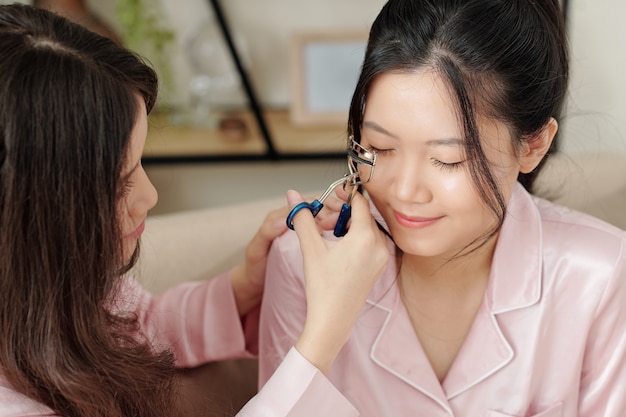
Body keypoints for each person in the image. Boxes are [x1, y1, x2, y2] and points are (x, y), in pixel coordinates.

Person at [0, 4, 388, 416]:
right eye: (120, 183)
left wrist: (240, 288)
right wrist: (323, 336)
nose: (149, 196)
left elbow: (136, 325)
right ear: (35, 217)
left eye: (140, 163)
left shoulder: (66, 289)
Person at [259, 0, 626, 416]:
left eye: (448, 160)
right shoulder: (300, 265)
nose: (405, 191)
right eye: (380, 147)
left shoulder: (601, 274)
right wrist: (324, 331)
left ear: (534, 144)